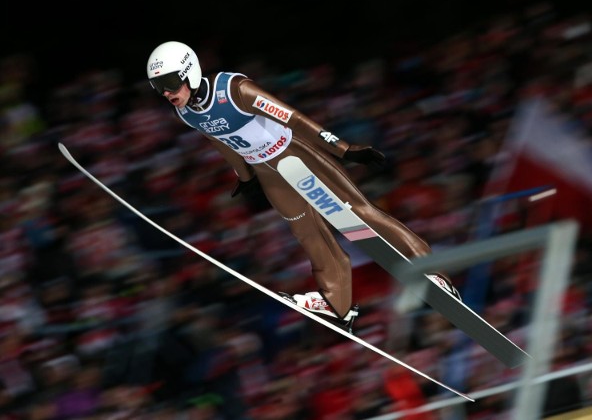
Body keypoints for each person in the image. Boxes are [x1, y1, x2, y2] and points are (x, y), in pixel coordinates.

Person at [146, 41, 460, 331]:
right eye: (158, 87)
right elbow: (221, 141)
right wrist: (244, 176)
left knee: (358, 214)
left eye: (169, 83)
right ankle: (338, 302)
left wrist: (343, 149)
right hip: (268, 173)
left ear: (190, 72)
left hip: (294, 154)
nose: (165, 92)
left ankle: (433, 272)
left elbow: (294, 118)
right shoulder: (186, 112)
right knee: (306, 233)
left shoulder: (235, 89)